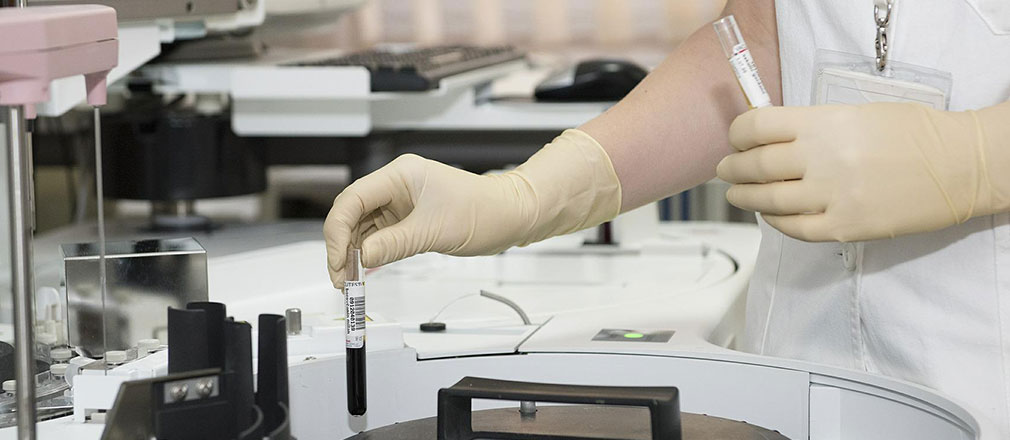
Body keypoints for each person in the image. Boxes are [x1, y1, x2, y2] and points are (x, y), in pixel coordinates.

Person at [324, 0, 1010, 435]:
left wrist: (977, 158)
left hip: (983, 383)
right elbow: (761, 43)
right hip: (794, 379)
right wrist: (527, 195)